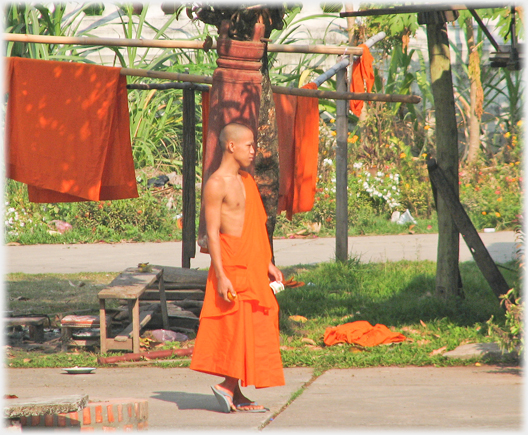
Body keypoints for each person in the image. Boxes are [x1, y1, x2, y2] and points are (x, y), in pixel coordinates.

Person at [190, 123, 285, 413]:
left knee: (256, 323)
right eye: (249, 145)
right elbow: (212, 233)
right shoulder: (216, 183)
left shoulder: (246, 180)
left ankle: (236, 391)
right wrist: (220, 275)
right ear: (231, 146)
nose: (253, 150)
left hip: (252, 262)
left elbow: (253, 226)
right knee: (238, 327)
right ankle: (227, 387)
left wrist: (266, 262)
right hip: (232, 264)